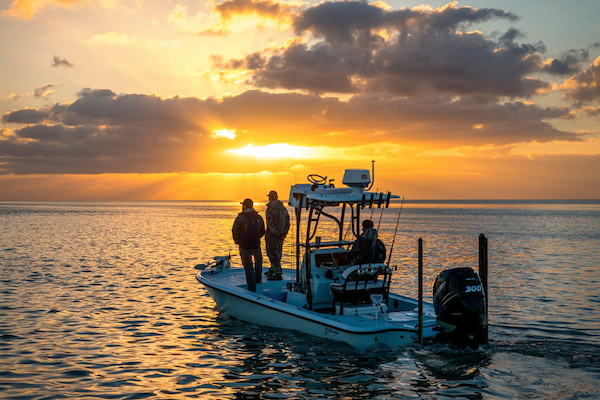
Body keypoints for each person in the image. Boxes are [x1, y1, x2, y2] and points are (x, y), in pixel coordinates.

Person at [232, 198, 265, 292]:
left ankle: (252, 288)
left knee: (248, 268)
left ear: (244, 206)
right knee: (258, 264)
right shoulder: (259, 217)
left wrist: (237, 241)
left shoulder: (241, 218)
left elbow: (235, 231)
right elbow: (262, 231)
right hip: (256, 245)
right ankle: (258, 281)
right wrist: (257, 238)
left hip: (244, 246)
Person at [264, 190, 290, 281]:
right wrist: (283, 235)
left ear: (269, 198)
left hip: (272, 237)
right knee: (278, 254)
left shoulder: (270, 209)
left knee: (272, 255)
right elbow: (288, 222)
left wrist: (277, 235)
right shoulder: (284, 209)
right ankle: (272, 270)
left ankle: (278, 273)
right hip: (281, 238)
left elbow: (270, 225)